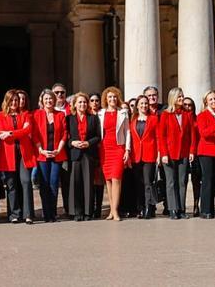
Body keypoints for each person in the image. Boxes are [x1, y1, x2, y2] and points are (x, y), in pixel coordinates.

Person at [0, 89, 35, 224]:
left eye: (16, 100)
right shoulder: (0, 115)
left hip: (24, 153)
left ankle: (28, 214)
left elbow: (27, 130)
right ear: (7, 101)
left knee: (26, 181)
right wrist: (19, 132)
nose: (14, 103)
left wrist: (11, 133)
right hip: (8, 154)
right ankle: (14, 214)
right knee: (11, 185)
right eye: (11, 100)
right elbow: (1, 134)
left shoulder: (25, 114)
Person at [158, 88, 193, 219]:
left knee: (182, 181)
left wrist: (191, 151)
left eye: (182, 96)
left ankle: (181, 209)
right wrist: (163, 154)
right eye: (179, 97)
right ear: (173, 98)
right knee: (171, 182)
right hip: (169, 153)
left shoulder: (187, 114)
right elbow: (161, 136)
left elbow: (191, 136)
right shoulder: (165, 115)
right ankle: (172, 209)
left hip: (183, 153)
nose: (182, 99)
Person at [32, 89, 66, 222]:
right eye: (46, 99)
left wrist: (58, 149)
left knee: (53, 183)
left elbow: (65, 133)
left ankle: (53, 212)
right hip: (43, 155)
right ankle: (46, 213)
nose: (49, 101)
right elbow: (34, 134)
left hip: (57, 153)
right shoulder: (37, 114)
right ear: (42, 101)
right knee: (44, 184)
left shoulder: (60, 115)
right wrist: (41, 150)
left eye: (51, 98)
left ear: (54, 100)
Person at [97, 87, 130, 221]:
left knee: (116, 179)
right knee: (108, 181)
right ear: (106, 99)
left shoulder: (123, 113)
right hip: (104, 149)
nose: (112, 99)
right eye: (110, 97)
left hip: (118, 148)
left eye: (115, 97)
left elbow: (127, 132)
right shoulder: (100, 113)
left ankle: (115, 211)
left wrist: (127, 150)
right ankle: (111, 210)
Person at [66, 93, 100, 221]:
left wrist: (88, 143)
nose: (82, 104)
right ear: (74, 104)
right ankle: (76, 211)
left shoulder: (93, 118)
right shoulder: (69, 118)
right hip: (75, 153)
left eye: (85, 102)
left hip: (88, 154)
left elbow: (98, 136)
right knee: (75, 183)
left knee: (88, 183)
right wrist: (72, 143)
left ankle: (87, 212)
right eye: (79, 102)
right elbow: (65, 137)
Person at [193, 91, 215, 219]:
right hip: (206, 151)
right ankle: (205, 210)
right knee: (207, 180)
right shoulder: (202, 115)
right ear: (206, 102)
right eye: (210, 100)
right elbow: (204, 133)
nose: (213, 101)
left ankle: (213, 209)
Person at [127, 94, 159, 219]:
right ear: (137, 106)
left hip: (149, 155)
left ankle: (149, 208)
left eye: (146, 103)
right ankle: (140, 208)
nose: (144, 106)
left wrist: (159, 154)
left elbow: (158, 137)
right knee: (138, 183)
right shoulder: (133, 119)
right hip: (136, 155)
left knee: (148, 182)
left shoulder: (154, 119)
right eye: (142, 103)